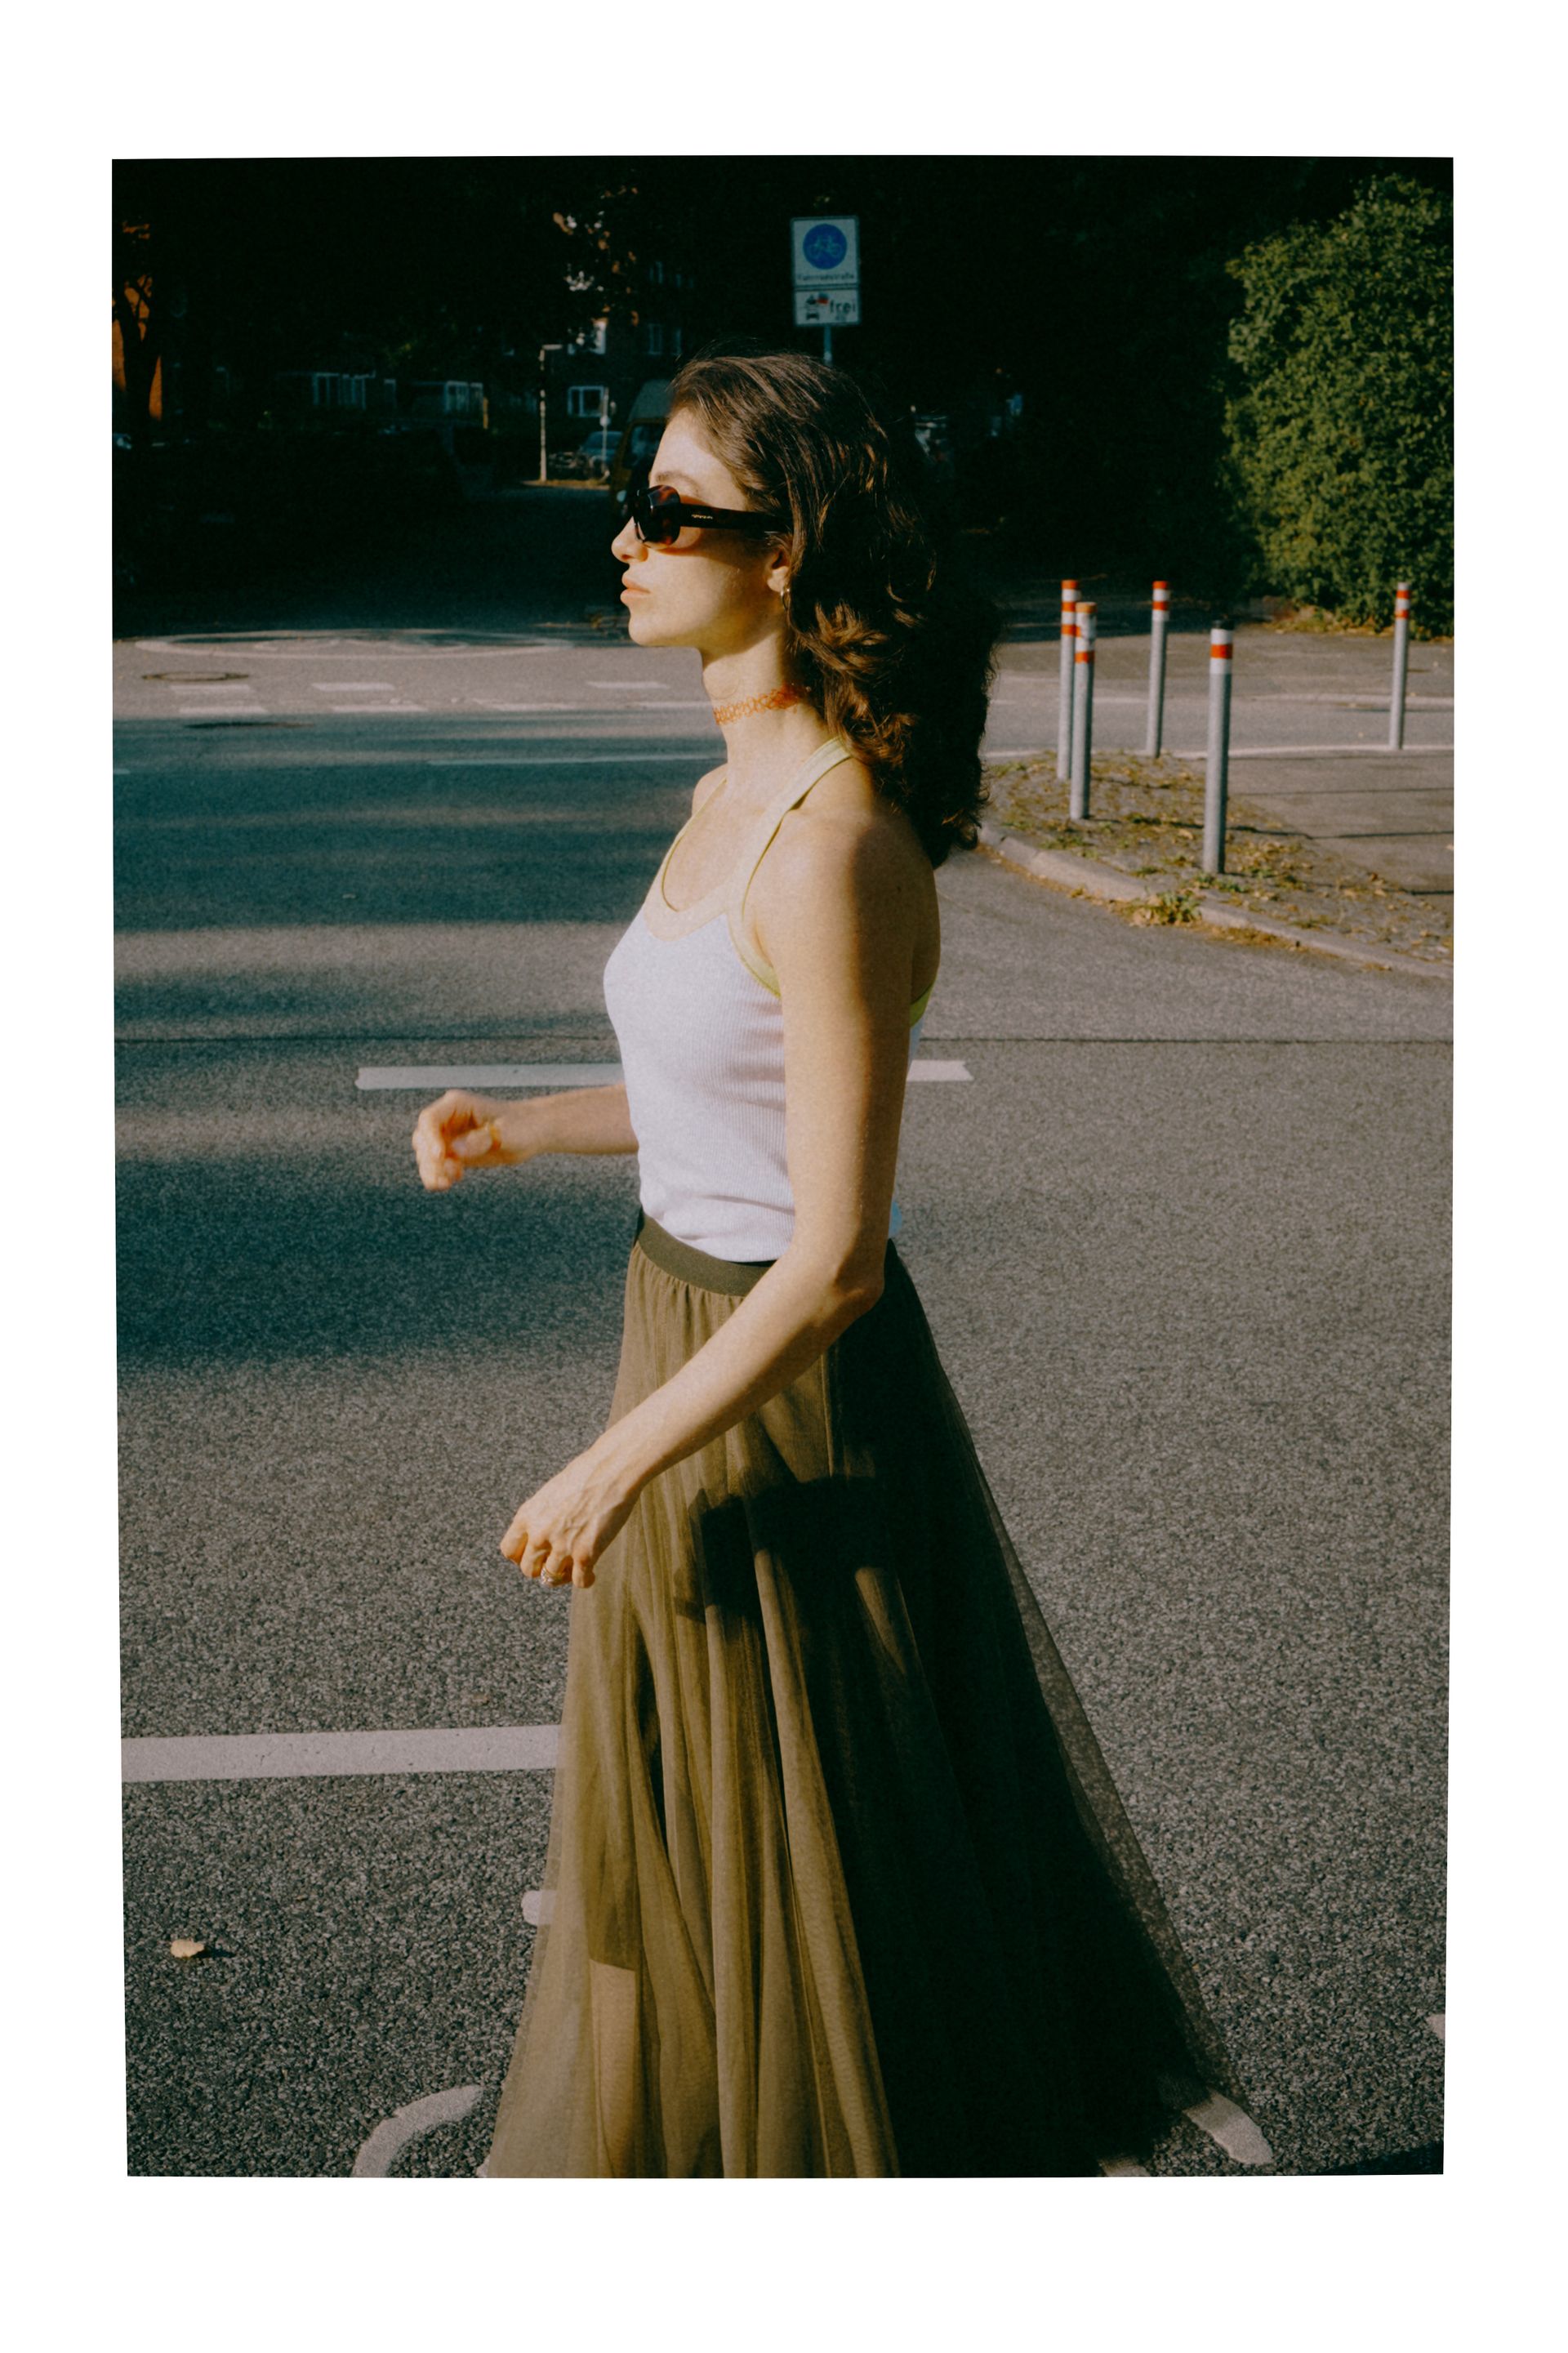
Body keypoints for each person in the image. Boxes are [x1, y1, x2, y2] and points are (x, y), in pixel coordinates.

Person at [412, 345, 1247, 2177]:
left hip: (788, 1399)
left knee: (827, 1890)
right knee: (707, 1855)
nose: (622, 537)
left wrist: (615, 1461)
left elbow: (838, 1253)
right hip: (683, 1333)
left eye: (667, 512)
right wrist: (523, 1123)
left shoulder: (836, 839)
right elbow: (716, 1098)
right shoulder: (729, 799)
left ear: (784, 552)